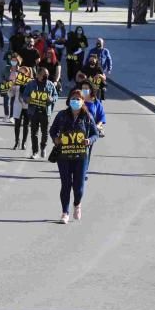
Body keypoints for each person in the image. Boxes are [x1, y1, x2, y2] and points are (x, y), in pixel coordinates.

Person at [49, 90, 99, 223]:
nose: (75, 101)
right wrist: (55, 139)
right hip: (64, 155)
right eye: (73, 98)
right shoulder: (62, 115)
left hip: (81, 156)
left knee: (79, 186)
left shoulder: (87, 117)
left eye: (78, 99)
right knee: (65, 184)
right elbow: (52, 130)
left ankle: (77, 203)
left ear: (83, 101)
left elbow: (95, 134)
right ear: (69, 100)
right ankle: (65, 212)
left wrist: (89, 140)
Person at [21, 68, 58, 159]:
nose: (46, 76)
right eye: (44, 74)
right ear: (37, 75)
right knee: (34, 133)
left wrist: (52, 99)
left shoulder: (50, 84)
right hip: (34, 111)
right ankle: (35, 151)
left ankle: (43, 147)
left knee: (45, 132)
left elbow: (56, 96)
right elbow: (24, 95)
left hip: (46, 112)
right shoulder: (31, 84)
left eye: (47, 75)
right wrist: (27, 99)